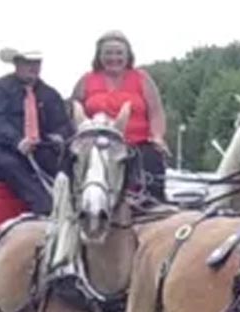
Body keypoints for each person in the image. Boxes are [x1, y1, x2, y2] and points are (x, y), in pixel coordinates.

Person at [71, 30, 170, 204]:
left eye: (119, 53)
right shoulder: (87, 80)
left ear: (128, 55)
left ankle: (154, 206)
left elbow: (156, 112)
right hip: (97, 145)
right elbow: (74, 109)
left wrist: (157, 137)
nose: (113, 58)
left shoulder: (142, 78)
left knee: (152, 160)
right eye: (108, 53)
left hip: (136, 144)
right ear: (99, 55)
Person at [0, 49, 72, 215]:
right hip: (1, 149)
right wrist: (17, 141)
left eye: (37, 63)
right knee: (9, 165)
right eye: (28, 63)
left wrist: (59, 137)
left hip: (41, 148)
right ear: (17, 64)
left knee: (64, 164)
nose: (33, 67)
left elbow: (63, 125)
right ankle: (44, 207)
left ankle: (73, 207)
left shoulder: (50, 95)